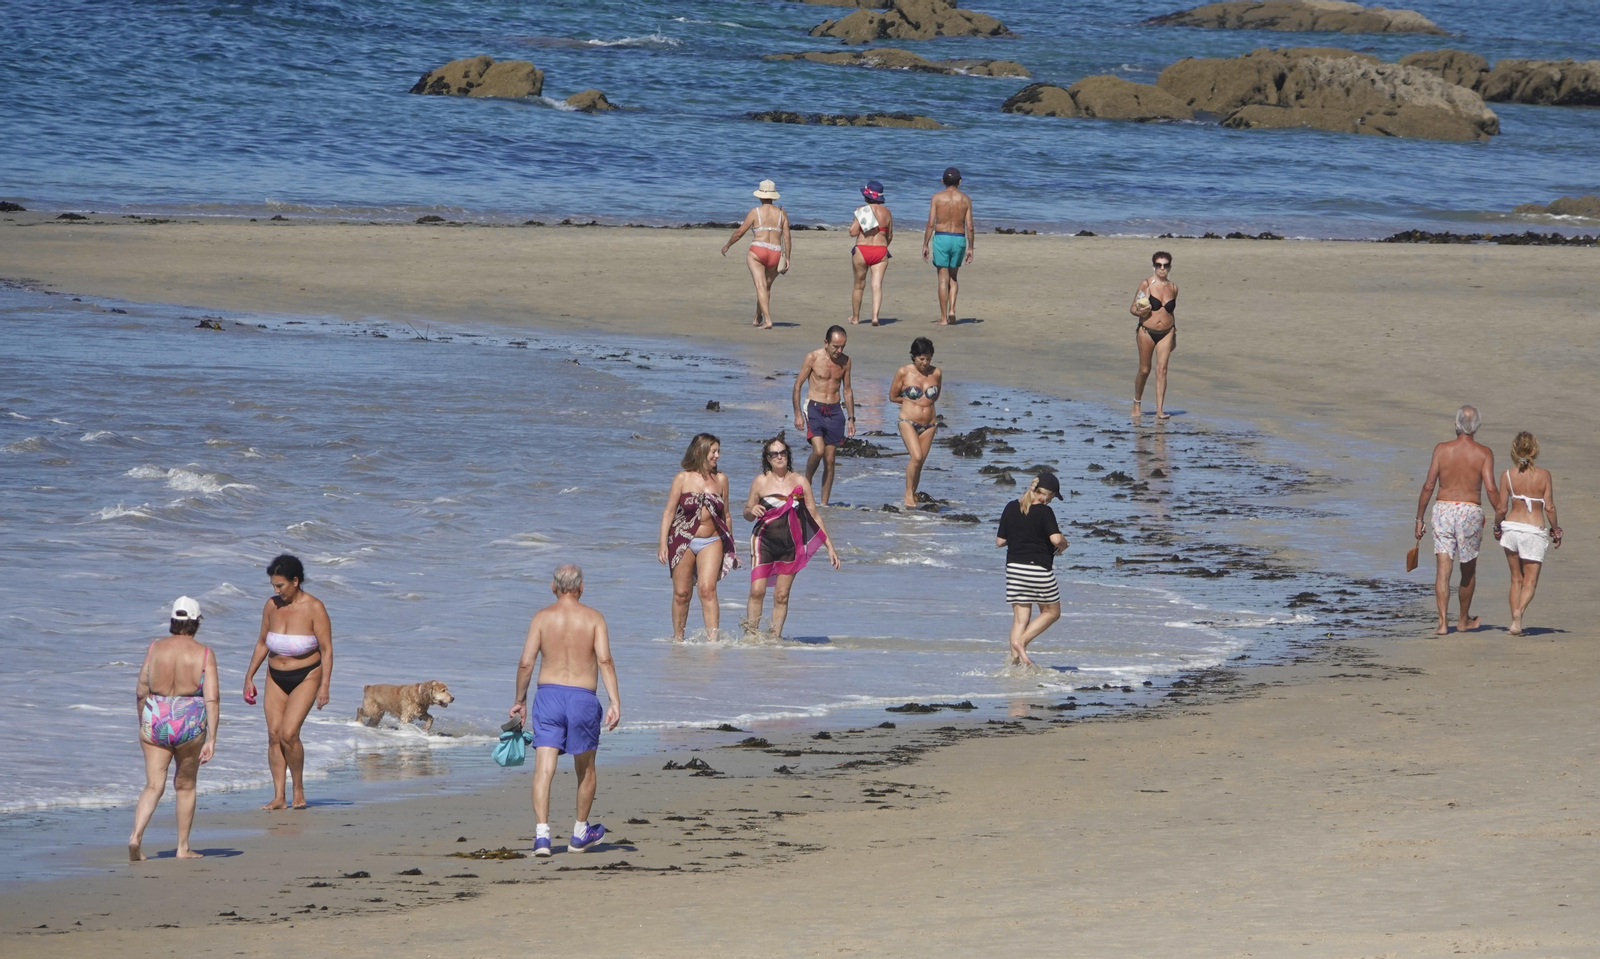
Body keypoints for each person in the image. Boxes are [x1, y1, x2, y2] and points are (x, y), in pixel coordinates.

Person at [508, 564, 622, 857]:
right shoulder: (594, 618)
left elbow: (525, 663)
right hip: (583, 698)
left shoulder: (542, 618)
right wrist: (614, 701)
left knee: (544, 768)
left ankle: (542, 837)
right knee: (585, 768)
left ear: (553, 587)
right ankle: (579, 833)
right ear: (581, 588)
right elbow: (605, 661)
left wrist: (520, 700)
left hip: (548, 697)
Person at [129, 596, 220, 861]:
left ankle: (135, 836)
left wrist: (144, 721)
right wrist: (212, 738)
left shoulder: (155, 648)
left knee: (153, 785)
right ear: (196, 622)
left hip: (156, 716)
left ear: (173, 620)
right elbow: (212, 698)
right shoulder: (204, 653)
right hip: (188, 720)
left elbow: (140, 690)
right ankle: (182, 848)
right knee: (185, 786)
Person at [242, 554, 332, 810]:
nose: (276, 590)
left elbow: (326, 649)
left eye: (280, 585)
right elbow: (262, 643)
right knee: (273, 735)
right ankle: (279, 796)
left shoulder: (315, 608)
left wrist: (324, 685)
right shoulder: (271, 606)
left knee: (289, 733)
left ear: (295, 581)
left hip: (307, 675)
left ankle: (299, 791)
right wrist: (249, 676)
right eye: (273, 585)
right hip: (275, 676)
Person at [743, 434, 841, 637]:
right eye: (774, 454)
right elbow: (747, 512)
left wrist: (830, 547)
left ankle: (774, 638)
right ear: (768, 458)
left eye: (782, 453)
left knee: (781, 595)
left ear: (788, 455)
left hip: (791, 545)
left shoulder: (800, 481)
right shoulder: (760, 482)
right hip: (763, 542)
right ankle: (751, 637)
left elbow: (813, 515)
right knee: (757, 591)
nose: (779, 457)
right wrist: (752, 511)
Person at [1414, 406, 1499, 635]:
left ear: (1456, 423)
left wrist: (1419, 518)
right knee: (1468, 569)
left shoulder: (1442, 450)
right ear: (1477, 426)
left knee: (1443, 568)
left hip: (1443, 509)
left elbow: (1429, 485)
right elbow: (1491, 489)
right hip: (1470, 511)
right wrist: (1500, 514)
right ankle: (1462, 620)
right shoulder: (1484, 453)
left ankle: (1442, 624)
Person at [658, 433, 738, 641]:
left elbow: (726, 515)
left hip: (712, 540)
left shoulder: (721, 480)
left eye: (718, 451)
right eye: (714, 451)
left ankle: (713, 642)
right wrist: (662, 544)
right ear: (699, 451)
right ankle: (678, 639)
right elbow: (668, 512)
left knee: (707, 590)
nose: (717, 456)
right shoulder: (682, 478)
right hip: (682, 540)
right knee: (682, 594)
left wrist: (732, 547)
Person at [996, 473, 1068, 666]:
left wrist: (1020, 534)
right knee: (1052, 612)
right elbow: (1055, 539)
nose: (1051, 500)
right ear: (1046, 494)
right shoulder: (1045, 512)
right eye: (1052, 497)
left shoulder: (1011, 507)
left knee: (1020, 619)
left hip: (1014, 569)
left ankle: (1015, 663)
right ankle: (1022, 642)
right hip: (1038, 569)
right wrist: (1064, 544)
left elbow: (1000, 541)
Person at [1494, 431, 1561, 635]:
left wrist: (1497, 526)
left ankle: (1515, 620)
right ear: (1535, 450)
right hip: (1533, 530)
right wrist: (1555, 529)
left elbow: (1501, 509)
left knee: (1516, 579)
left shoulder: (1507, 476)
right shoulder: (1544, 475)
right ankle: (1519, 614)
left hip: (1512, 528)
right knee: (1530, 581)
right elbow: (1549, 507)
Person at [792, 326, 856, 506]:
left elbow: (847, 390)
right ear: (826, 342)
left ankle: (824, 504)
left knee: (830, 459)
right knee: (818, 450)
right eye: (835, 346)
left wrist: (851, 418)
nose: (839, 350)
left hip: (835, 410)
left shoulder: (846, 361)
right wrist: (798, 413)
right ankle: (805, 484)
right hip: (814, 407)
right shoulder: (813, 357)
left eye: (842, 346)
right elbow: (797, 386)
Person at [721, 179, 791, 329]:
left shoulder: (755, 212)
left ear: (760, 196)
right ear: (773, 196)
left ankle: (767, 320)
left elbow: (740, 232)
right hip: (776, 252)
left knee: (760, 286)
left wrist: (727, 245)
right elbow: (787, 237)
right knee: (766, 287)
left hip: (758, 250)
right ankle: (757, 317)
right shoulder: (781, 213)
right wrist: (788, 258)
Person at [889, 336, 943, 508]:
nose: (925, 362)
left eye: (928, 358)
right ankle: (908, 495)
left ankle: (912, 493)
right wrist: (909, 402)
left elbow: (936, 395)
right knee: (916, 456)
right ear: (914, 356)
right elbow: (892, 396)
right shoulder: (904, 372)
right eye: (921, 358)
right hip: (908, 421)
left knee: (920, 463)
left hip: (930, 424)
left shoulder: (936, 373)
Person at [921, 167, 974, 325]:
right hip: (958, 237)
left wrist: (925, 244)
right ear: (960, 181)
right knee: (953, 277)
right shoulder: (965, 199)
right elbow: (969, 226)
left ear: (943, 181)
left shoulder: (937, 198)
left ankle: (943, 318)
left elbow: (931, 223)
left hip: (942, 237)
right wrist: (971, 247)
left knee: (942, 279)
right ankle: (952, 310)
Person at [1129, 251, 1178, 422]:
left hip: (1167, 332)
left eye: (1165, 265)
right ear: (1154, 266)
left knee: (1162, 370)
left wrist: (1175, 335)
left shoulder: (1173, 288)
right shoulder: (1146, 285)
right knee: (1144, 370)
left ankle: (1159, 409)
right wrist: (1139, 311)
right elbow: (1133, 309)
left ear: (1170, 267)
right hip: (1146, 332)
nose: (1162, 268)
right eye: (1159, 265)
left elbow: (1171, 313)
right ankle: (1136, 403)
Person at [848, 180, 893, 327]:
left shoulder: (863, 210)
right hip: (880, 250)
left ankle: (855, 317)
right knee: (877, 285)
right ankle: (875, 317)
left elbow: (852, 232)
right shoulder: (887, 212)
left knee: (859, 285)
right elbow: (890, 236)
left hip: (862, 249)